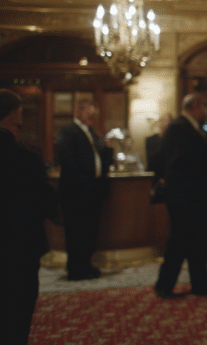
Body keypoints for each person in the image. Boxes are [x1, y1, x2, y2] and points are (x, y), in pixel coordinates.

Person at [153, 93, 207, 299]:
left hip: (196, 196)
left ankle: (200, 284)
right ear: (195, 105)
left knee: (198, 242)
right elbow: (182, 160)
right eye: (205, 106)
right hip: (185, 197)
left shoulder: (192, 127)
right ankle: (164, 285)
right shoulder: (179, 127)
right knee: (180, 241)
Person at [0, 89, 57, 344]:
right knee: (16, 319)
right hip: (18, 249)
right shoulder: (23, 156)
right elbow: (46, 202)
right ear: (13, 115)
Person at [54, 98, 112, 281]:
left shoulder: (92, 133)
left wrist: (107, 148)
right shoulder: (69, 130)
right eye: (89, 112)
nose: (92, 115)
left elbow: (102, 161)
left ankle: (86, 265)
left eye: (94, 112)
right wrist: (84, 184)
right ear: (79, 111)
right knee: (76, 232)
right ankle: (76, 269)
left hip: (92, 191)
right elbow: (66, 159)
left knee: (89, 232)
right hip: (76, 193)